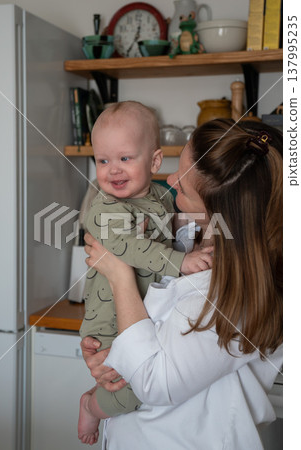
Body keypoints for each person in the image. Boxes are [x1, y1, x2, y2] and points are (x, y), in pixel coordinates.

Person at [81, 118, 283, 449]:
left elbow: (153, 382)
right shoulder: (189, 235)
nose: (171, 180)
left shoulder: (239, 295)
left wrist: (119, 276)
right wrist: (107, 355)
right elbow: (141, 331)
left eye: (185, 187)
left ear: (221, 212)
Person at [78, 101, 213, 445]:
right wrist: (180, 262)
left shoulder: (161, 197)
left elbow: (171, 237)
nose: (113, 170)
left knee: (127, 380)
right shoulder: (105, 206)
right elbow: (129, 249)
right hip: (109, 319)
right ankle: (91, 406)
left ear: (153, 161)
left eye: (125, 159)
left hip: (139, 315)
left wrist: (190, 252)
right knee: (129, 390)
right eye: (103, 160)